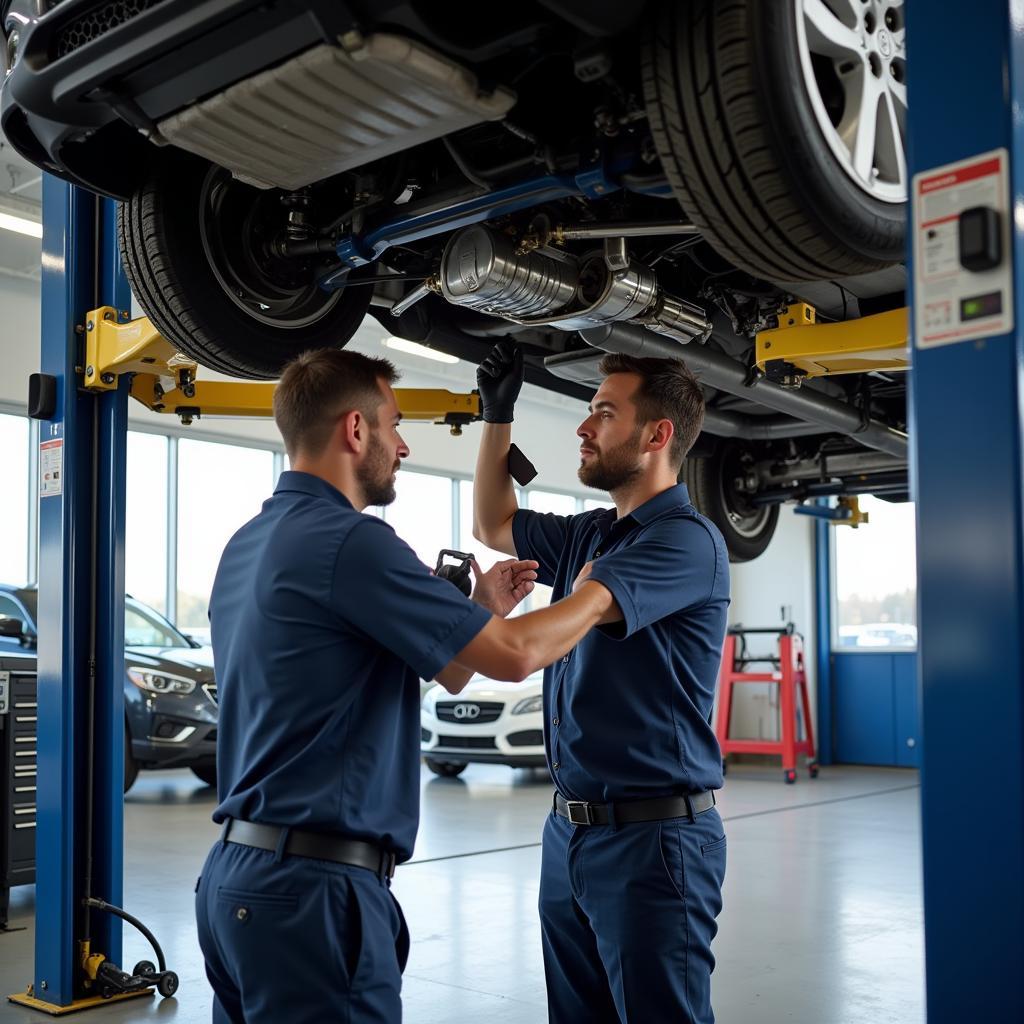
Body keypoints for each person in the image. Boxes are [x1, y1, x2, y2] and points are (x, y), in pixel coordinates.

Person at [194, 348, 619, 1023]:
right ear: (355, 431)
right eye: (393, 425)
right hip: (315, 894)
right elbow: (512, 660)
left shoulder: (249, 543)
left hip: (236, 883)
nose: (404, 446)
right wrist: (599, 591)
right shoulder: (353, 542)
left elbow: (449, 669)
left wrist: (477, 609)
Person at [473, 340, 731, 1024]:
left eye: (604, 413)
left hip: (653, 844)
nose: (584, 428)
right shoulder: (593, 534)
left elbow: (535, 642)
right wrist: (496, 412)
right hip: (569, 832)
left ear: (657, 434)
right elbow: (493, 523)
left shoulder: (685, 541)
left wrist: (463, 626)